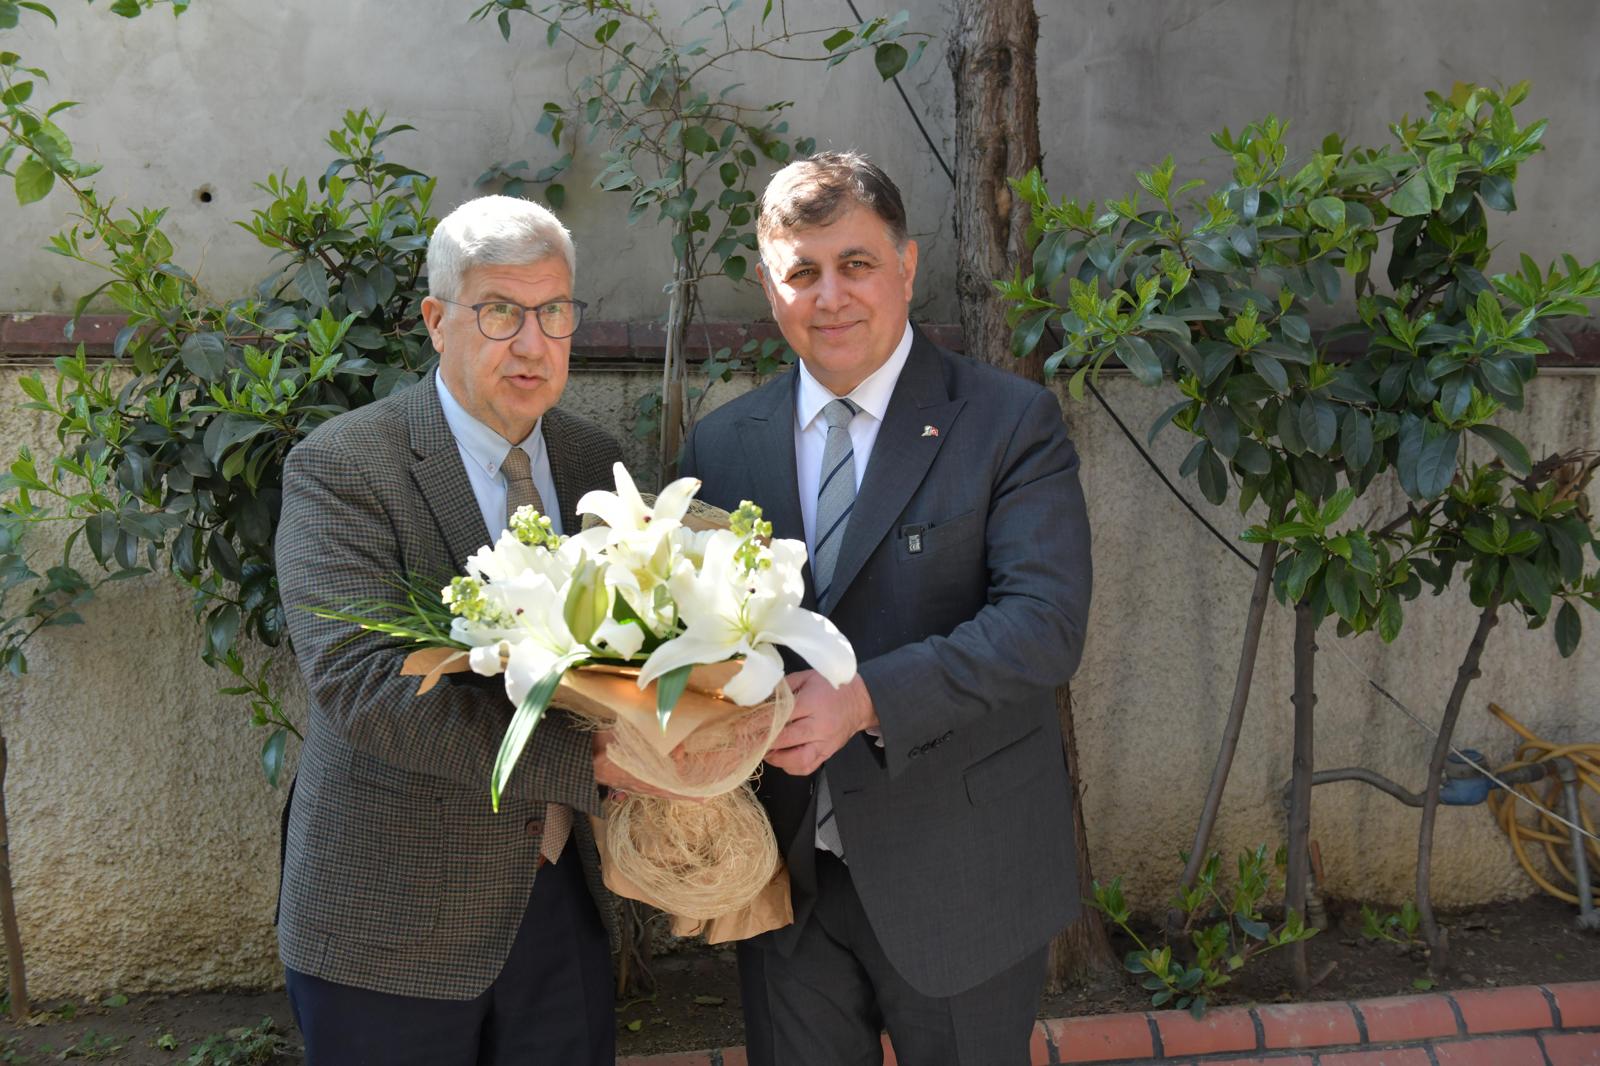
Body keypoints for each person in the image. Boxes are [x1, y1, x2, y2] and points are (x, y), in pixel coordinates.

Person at [679, 152, 1093, 1064]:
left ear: (905, 266)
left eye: (856, 264)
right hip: (783, 890)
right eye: (803, 272)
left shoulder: (1006, 422)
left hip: (962, 877)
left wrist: (865, 700)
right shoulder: (721, 443)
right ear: (769, 286)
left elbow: (1044, 624)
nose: (831, 296)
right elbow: (692, 636)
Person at [275, 195, 646, 1064]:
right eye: (500, 312)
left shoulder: (603, 468)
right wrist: (590, 765)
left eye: (553, 312)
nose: (531, 342)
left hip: (559, 908)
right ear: (438, 321)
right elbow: (364, 686)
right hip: (388, 923)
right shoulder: (345, 467)